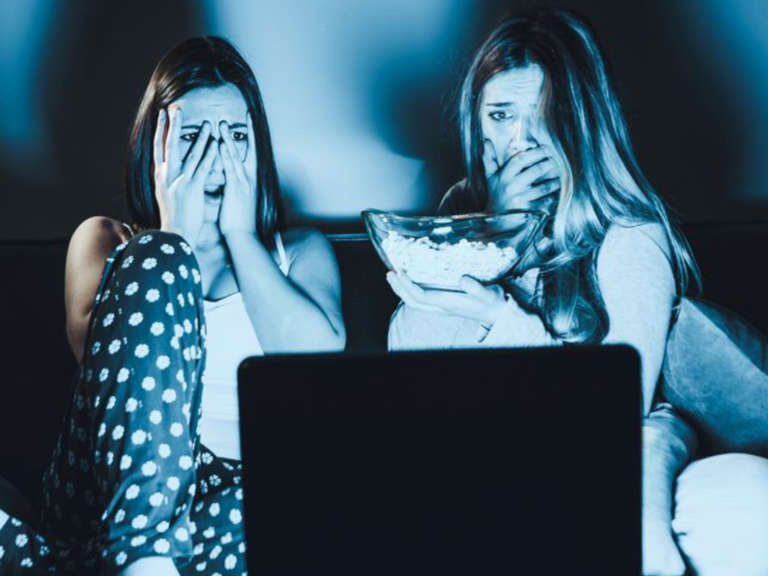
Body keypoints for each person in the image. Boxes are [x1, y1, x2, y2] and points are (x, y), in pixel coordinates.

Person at [386, 10, 768, 576]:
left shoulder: (628, 235)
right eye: (501, 114)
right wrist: (498, 236)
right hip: (479, 458)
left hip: (575, 461)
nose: (522, 140)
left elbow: (615, 407)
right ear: (478, 123)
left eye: (545, 115)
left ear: (578, 122)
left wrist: (501, 317)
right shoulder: (460, 226)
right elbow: (406, 361)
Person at [0, 36, 345, 574]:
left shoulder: (298, 253)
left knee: (284, 507)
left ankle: (79, 565)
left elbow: (314, 359)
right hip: (102, 489)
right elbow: (96, 361)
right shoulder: (105, 239)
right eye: (192, 135)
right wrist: (176, 231)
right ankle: (145, 556)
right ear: (156, 147)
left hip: (226, 496)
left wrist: (240, 235)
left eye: (234, 135)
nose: (215, 155)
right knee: (159, 257)